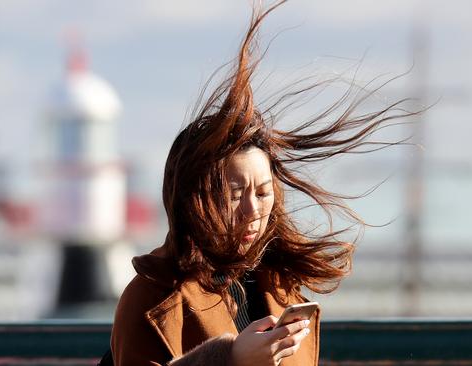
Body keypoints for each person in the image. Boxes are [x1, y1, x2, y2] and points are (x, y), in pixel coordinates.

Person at [110, 1, 416, 365]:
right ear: (192, 199)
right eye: (234, 194)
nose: (252, 210)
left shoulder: (281, 287)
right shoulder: (152, 298)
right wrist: (230, 359)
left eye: (262, 192)